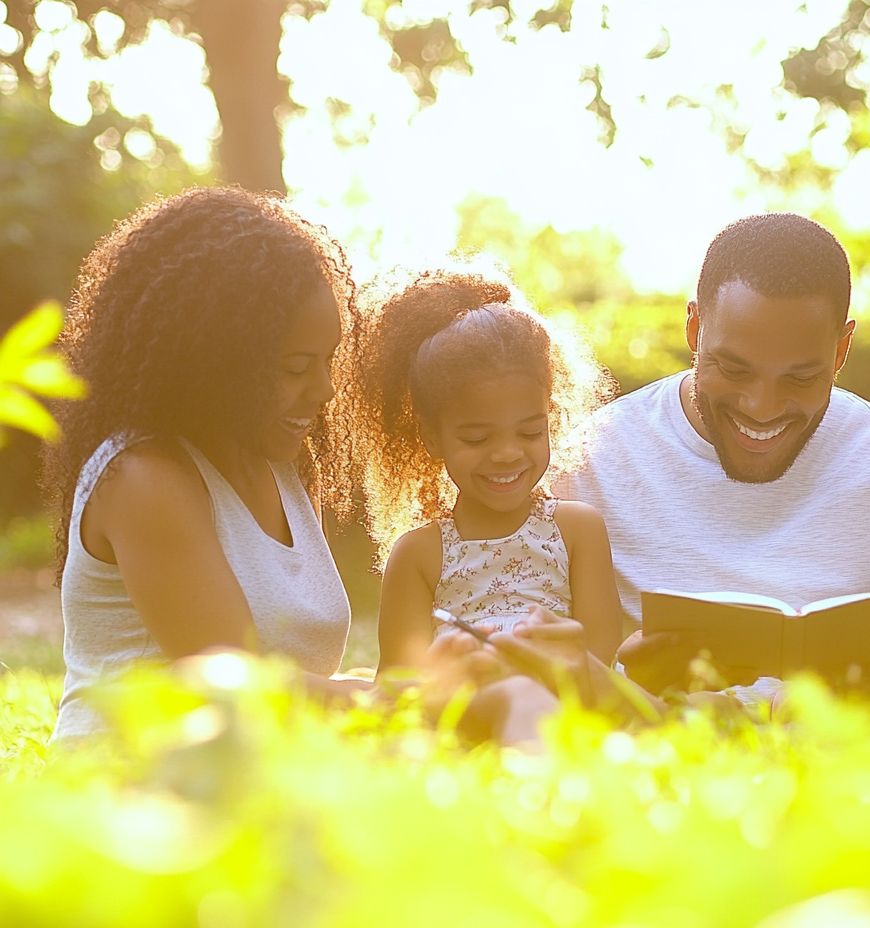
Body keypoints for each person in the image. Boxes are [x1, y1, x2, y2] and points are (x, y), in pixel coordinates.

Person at [44, 188, 533, 743]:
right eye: (297, 368)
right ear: (214, 359)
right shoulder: (143, 477)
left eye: (328, 361)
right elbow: (227, 682)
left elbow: (299, 690)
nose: (324, 391)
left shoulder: (281, 466)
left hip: (261, 774)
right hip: (134, 791)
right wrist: (385, 699)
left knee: (503, 711)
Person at [554, 213, 870, 696]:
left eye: (800, 378)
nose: (761, 408)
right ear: (696, 329)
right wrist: (625, 681)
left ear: (841, 349)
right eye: (734, 370)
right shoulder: (589, 460)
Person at [327, 264, 624, 682]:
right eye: (477, 438)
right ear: (432, 437)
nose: (506, 454)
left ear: (549, 419)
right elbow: (398, 683)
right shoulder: (419, 554)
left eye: (529, 431)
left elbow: (600, 660)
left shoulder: (577, 530)